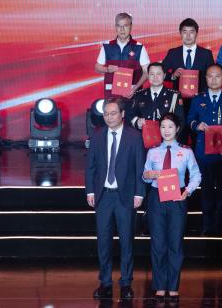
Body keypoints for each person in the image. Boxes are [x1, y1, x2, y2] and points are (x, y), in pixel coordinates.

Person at [84, 97, 145, 300]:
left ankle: (126, 283)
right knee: (103, 242)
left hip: (125, 196)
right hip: (103, 196)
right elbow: (90, 166)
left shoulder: (134, 136)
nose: (109, 117)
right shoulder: (97, 135)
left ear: (122, 114)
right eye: (106, 114)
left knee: (126, 242)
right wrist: (90, 191)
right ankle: (105, 283)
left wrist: (139, 193)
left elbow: (139, 167)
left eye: (113, 113)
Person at [142, 113, 201, 299]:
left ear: (177, 129)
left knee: (175, 243)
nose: (166, 130)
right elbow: (145, 174)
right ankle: (160, 285)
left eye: (170, 127)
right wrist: (148, 175)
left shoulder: (186, 151)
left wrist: (188, 191)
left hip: (177, 198)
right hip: (156, 198)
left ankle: (173, 285)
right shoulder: (152, 151)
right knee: (158, 243)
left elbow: (196, 175)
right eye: (163, 127)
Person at [186, 64, 222, 236]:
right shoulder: (197, 99)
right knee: (207, 191)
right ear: (206, 78)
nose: (214, 79)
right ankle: (206, 225)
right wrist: (197, 126)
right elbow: (189, 120)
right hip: (203, 152)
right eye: (210, 76)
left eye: (218, 76)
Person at [95, 12, 151, 97]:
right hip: (111, 96)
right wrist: (106, 69)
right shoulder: (107, 46)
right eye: (119, 26)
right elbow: (97, 67)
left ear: (130, 26)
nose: (122, 29)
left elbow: (146, 72)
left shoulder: (139, 47)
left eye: (125, 25)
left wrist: (135, 88)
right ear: (115, 27)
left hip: (133, 95)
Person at [160, 18, 215, 96]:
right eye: (185, 32)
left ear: (196, 33)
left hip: (201, 97)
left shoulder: (206, 54)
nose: (188, 36)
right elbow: (160, 72)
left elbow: (212, 75)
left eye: (191, 32)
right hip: (178, 98)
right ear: (180, 33)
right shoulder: (173, 53)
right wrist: (173, 76)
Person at [128, 62, 184, 136]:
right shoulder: (139, 95)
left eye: (158, 74)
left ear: (164, 75)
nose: (155, 77)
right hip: (143, 138)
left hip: (165, 139)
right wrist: (137, 122)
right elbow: (130, 114)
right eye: (152, 74)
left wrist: (170, 139)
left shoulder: (174, 95)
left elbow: (180, 121)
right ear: (148, 76)